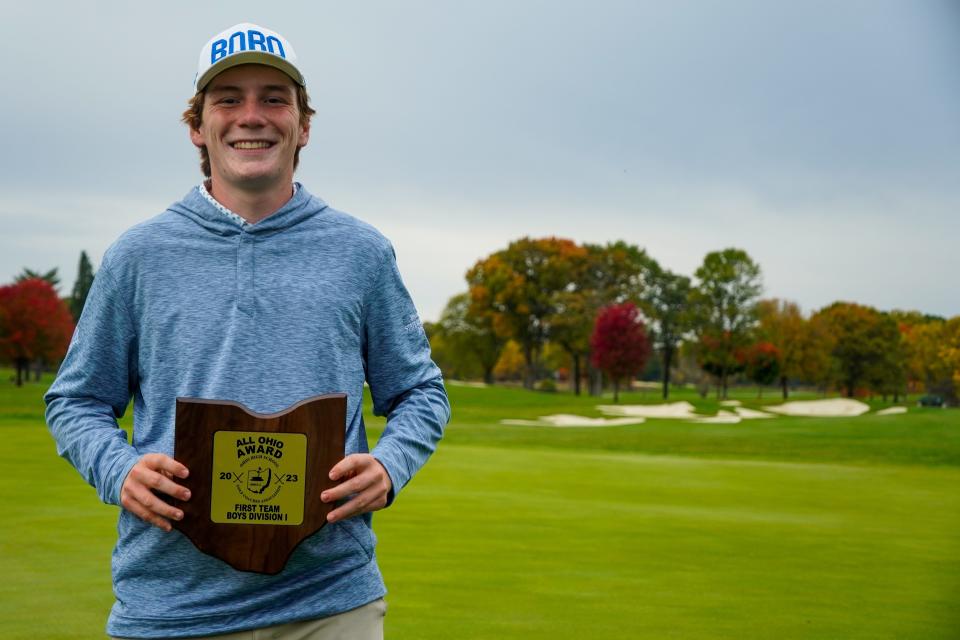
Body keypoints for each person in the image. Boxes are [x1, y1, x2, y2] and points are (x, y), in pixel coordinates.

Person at [44, 22, 450, 639]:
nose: (251, 116)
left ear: (303, 126)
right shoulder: (138, 255)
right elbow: (76, 401)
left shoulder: (361, 252)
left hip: (330, 603)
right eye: (228, 99)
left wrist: (390, 465)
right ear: (197, 127)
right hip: (170, 608)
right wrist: (118, 469)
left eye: (274, 98)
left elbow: (421, 391)